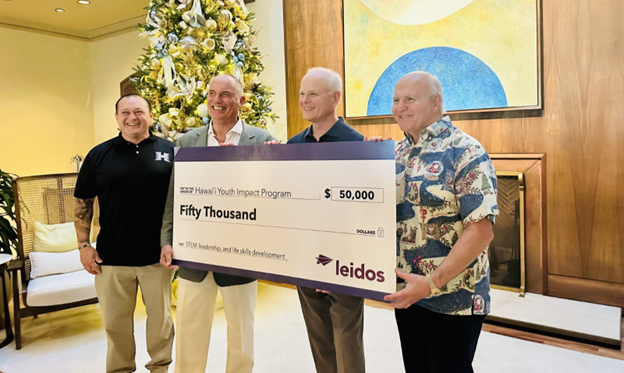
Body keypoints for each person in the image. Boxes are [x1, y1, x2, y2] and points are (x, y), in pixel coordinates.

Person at [383, 71, 499, 373]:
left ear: (436, 102)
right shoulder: (396, 152)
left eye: (410, 99)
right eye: (396, 100)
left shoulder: (466, 150)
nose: (400, 107)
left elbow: (481, 230)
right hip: (409, 292)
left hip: (454, 299)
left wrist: (431, 283)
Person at [160, 74, 275, 373]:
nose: (216, 100)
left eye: (225, 94)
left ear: (241, 101)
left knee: (241, 334)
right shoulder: (186, 141)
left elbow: (273, 198)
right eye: (212, 93)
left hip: (241, 255)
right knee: (189, 329)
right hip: (194, 253)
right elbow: (174, 195)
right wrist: (167, 239)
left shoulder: (262, 140)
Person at [74, 94, 175, 373]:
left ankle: (160, 367)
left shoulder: (170, 151)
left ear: (151, 116)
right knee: (115, 323)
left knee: (161, 322)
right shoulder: (99, 154)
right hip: (111, 256)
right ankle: (119, 369)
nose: (133, 117)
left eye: (139, 112)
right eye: (126, 112)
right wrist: (83, 245)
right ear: (117, 118)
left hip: (158, 256)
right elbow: (83, 202)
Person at [288, 67, 366, 373]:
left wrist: (337, 259)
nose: (305, 100)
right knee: (318, 338)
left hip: (345, 261)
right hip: (305, 258)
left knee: (347, 340)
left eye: (313, 94)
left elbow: (362, 213)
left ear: (335, 98)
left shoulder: (359, 144)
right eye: (302, 94)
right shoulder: (292, 146)